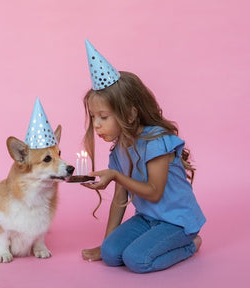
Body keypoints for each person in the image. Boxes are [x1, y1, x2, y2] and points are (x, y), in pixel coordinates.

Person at [80, 39, 206, 273]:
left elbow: (154, 192)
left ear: (129, 114)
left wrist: (116, 176)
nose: (96, 125)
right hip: (147, 218)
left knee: (137, 260)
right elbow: (120, 198)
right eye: (93, 117)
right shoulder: (118, 150)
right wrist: (105, 243)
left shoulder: (156, 141)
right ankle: (120, 244)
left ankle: (191, 245)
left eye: (103, 117)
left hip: (177, 222)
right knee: (110, 254)